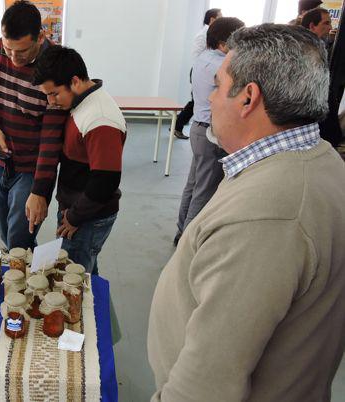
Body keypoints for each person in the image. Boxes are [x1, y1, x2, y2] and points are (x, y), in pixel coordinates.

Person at [148, 24, 345, 401]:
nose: (210, 96)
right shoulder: (317, 162)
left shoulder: (269, 217)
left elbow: (206, 387)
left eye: (218, 85)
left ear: (248, 98)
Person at [0, 0, 68, 250]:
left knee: (18, 241)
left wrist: (39, 190)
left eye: (22, 52)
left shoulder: (56, 67)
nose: (13, 58)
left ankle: (24, 281)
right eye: (8, 49)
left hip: (30, 169)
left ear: (40, 37)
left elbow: (51, 139)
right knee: (6, 234)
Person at [33, 45, 126, 275]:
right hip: (77, 210)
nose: (51, 101)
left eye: (54, 93)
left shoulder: (100, 119)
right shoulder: (81, 102)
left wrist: (74, 218)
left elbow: (105, 181)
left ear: (75, 81)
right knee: (86, 273)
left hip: (87, 217)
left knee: (74, 281)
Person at [174, 17, 244, 247]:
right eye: (238, 40)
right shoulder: (222, 66)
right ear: (224, 43)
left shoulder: (202, 59)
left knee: (194, 184)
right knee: (203, 191)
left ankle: (181, 230)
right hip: (211, 134)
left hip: (198, 128)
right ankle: (187, 242)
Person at [173, 8, 222, 140]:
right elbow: (198, 56)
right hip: (201, 70)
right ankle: (177, 125)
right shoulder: (205, 34)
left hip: (203, 69)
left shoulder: (210, 33)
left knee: (196, 101)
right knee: (196, 101)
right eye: (220, 17)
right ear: (212, 19)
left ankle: (177, 125)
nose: (222, 19)